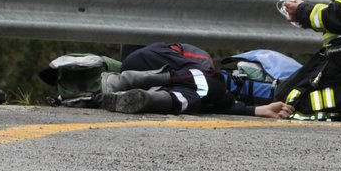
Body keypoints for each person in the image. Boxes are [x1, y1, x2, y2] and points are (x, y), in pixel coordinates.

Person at [99, 43, 291, 117]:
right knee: (209, 88)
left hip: (161, 86)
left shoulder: (205, 90)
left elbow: (216, 106)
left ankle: (147, 100)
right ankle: (125, 81)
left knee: (195, 101)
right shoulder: (205, 63)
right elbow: (210, 84)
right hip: (145, 62)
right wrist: (226, 97)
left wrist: (260, 111)